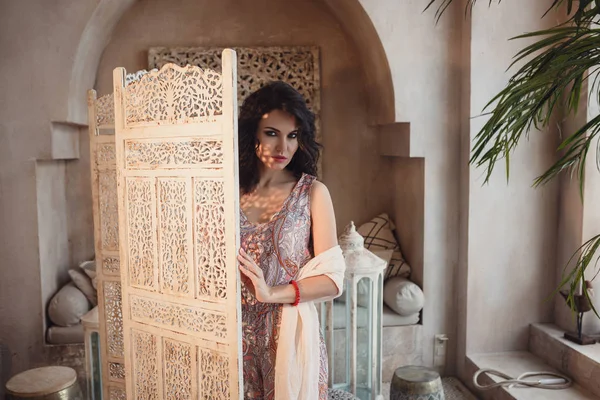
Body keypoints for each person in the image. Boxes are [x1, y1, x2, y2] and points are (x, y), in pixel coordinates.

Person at [237, 81, 345, 400]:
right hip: (231, 335)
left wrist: (270, 293)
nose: (282, 147)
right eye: (271, 133)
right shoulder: (226, 191)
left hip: (287, 333)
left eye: (292, 135)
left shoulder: (312, 193)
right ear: (252, 134)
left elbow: (332, 279)